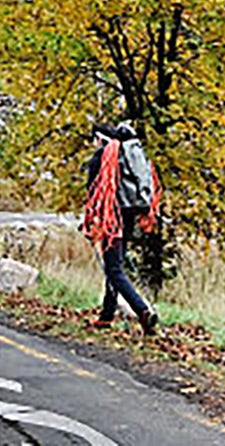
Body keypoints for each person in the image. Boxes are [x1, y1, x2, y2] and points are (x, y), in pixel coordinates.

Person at [82, 122, 162, 334]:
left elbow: (92, 190)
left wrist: (92, 220)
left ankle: (142, 311)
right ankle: (106, 315)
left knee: (114, 269)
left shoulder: (103, 157)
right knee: (114, 264)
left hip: (112, 216)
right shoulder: (130, 156)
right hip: (129, 213)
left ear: (99, 139)